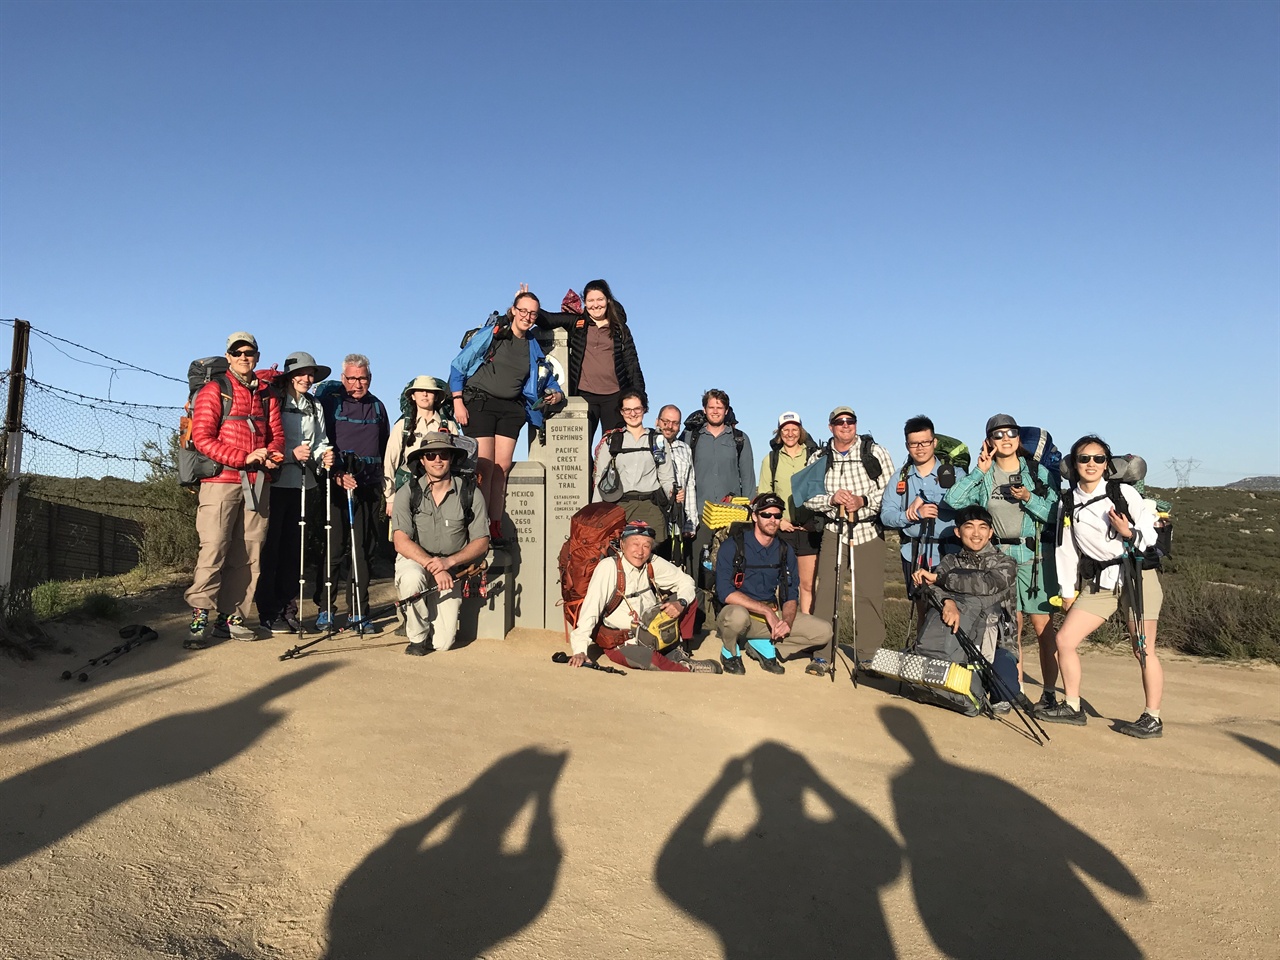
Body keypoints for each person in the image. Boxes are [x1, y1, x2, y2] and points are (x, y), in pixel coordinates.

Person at [1038, 435, 1165, 737]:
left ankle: (1153, 717)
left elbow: (1150, 533)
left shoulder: (1123, 493)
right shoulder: (1067, 501)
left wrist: (1128, 531)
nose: (1091, 464)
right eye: (1084, 458)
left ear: (1107, 463)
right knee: (1065, 640)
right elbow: (1065, 549)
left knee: (1143, 649)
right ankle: (1072, 705)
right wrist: (1067, 591)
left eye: (1098, 459)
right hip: (1100, 582)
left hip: (1137, 575)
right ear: (1074, 463)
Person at [944, 414, 1058, 706]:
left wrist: (1029, 497)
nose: (1005, 439)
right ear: (989, 441)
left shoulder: (1038, 472)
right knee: (1009, 628)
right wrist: (978, 472)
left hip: (1034, 559)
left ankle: (1049, 694)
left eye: (1011, 433)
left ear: (1019, 439)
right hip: (998, 559)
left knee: (1044, 629)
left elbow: (1055, 515)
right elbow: (953, 502)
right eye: (998, 434)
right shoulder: (986, 475)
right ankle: (1012, 689)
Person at [184, 332, 285, 648]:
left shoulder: (267, 394)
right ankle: (200, 615)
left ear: (256, 355)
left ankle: (232, 617)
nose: (244, 357)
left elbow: (277, 435)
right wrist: (244, 457)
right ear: (227, 356)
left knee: (249, 551)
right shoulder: (216, 390)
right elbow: (202, 438)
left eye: (249, 352)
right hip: (221, 481)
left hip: (257, 483)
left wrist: (273, 454)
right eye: (237, 352)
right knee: (214, 547)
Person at [450, 289, 564, 543]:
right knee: (483, 467)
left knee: (502, 468)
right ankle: (477, 526)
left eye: (533, 313)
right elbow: (459, 364)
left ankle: (495, 524)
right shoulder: (494, 333)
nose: (528, 316)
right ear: (513, 310)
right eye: (522, 310)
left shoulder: (532, 343)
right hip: (479, 401)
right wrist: (457, 401)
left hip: (511, 408)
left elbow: (543, 373)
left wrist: (555, 394)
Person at [909, 505, 1025, 716]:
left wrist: (942, 579)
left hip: (995, 642)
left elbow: (987, 585)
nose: (976, 533)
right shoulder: (949, 561)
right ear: (958, 532)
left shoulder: (1006, 563)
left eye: (983, 527)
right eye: (969, 527)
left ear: (991, 533)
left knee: (1006, 692)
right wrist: (948, 602)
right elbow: (932, 589)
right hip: (957, 637)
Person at [803, 407, 894, 667]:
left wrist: (862, 500)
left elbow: (890, 495)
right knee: (827, 595)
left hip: (868, 530)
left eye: (850, 421)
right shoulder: (819, 457)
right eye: (839, 422)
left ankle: (868, 656)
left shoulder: (875, 453)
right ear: (830, 427)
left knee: (870, 594)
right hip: (834, 530)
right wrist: (831, 500)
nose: (845, 425)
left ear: (856, 424)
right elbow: (807, 497)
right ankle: (821, 654)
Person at [567, 521, 720, 673]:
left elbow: (686, 581)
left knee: (689, 598)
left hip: (652, 631)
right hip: (623, 641)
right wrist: (580, 650)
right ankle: (686, 668)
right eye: (635, 544)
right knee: (652, 660)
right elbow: (591, 608)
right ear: (622, 544)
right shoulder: (609, 567)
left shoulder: (652, 562)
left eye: (646, 546)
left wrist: (680, 603)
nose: (640, 552)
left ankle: (678, 650)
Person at [254, 351, 334, 634]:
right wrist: (290, 454)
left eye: (310, 374)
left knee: (294, 551)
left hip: (304, 484)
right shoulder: (274, 402)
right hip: (275, 484)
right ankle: (268, 609)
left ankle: (289, 608)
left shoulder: (315, 405)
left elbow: (321, 440)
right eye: (301, 373)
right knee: (271, 549)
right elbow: (265, 440)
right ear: (289, 376)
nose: (306, 378)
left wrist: (326, 454)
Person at [391, 434, 490, 656]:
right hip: (416, 560)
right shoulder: (408, 491)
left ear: (452, 459)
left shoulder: (470, 492)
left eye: (444, 454)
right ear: (422, 461)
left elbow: (482, 541)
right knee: (411, 579)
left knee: (443, 644)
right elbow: (400, 541)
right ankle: (416, 636)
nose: (437, 459)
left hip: (452, 566)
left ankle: (418, 612)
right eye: (430, 455)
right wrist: (432, 564)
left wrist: (448, 562)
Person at [312, 353, 390, 634]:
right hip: (336, 487)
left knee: (363, 551)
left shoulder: (378, 407)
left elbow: (384, 448)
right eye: (352, 378)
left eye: (363, 378)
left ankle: (359, 611)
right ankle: (325, 609)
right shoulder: (331, 404)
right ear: (343, 378)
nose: (358, 384)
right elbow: (323, 446)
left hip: (367, 488)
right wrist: (336, 475)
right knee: (333, 549)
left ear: (370, 378)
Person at [714, 493, 833, 676]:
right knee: (737, 617)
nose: (772, 520)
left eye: (777, 516)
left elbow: (790, 594)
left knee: (824, 631)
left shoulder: (785, 551)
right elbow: (725, 592)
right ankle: (729, 652)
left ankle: (758, 643)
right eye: (766, 515)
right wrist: (767, 611)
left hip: (767, 621)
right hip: (737, 614)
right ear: (754, 516)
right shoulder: (733, 546)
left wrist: (786, 621)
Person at [539, 279, 646, 448]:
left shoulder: (620, 328)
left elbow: (632, 363)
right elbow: (548, 319)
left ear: (608, 300)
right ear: (585, 303)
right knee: (580, 448)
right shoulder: (578, 323)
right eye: (590, 300)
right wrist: (526, 306)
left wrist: (640, 397)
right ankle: (588, 476)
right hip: (584, 395)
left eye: (600, 299)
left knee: (614, 448)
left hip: (615, 396)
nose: (596, 305)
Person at [880, 415, 966, 620]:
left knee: (953, 609)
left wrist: (927, 499)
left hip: (951, 552)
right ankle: (924, 651)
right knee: (923, 612)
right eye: (914, 443)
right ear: (907, 445)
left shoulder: (957, 474)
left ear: (934, 442)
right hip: (914, 553)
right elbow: (886, 515)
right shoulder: (900, 478)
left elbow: (966, 505)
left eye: (925, 442)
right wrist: (912, 516)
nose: (920, 448)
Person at [681, 389, 755, 590]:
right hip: (698, 515)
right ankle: (699, 618)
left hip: (730, 516)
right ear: (704, 409)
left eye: (719, 407)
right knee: (696, 572)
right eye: (711, 407)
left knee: (729, 569)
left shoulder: (739, 439)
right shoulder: (690, 437)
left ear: (726, 410)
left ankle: (726, 615)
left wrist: (747, 516)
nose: (715, 411)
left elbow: (748, 478)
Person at [757, 411, 821, 614]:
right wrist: (779, 520)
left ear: (801, 431)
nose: (790, 434)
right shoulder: (771, 459)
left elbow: (822, 489)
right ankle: (783, 627)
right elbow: (764, 495)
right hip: (782, 529)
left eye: (794, 429)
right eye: (786, 430)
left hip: (809, 529)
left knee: (808, 585)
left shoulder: (814, 456)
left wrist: (815, 520)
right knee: (783, 583)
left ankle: (807, 630)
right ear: (779, 432)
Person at [592, 390, 674, 543]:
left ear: (644, 409)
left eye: (637, 409)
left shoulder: (657, 440)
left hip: (650, 506)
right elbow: (600, 479)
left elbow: (666, 476)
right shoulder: (611, 441)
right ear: (621, 412)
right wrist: (596, 512)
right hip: (620, 507)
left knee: (653, 555)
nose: (633, 414)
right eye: (627, 409)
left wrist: (673, 495)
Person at [383, 375, 459, 515]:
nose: (425, 394)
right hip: (407, 488)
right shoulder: (402, 426)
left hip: (442, 489)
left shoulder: (449, 426)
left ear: (436, 396)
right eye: (420, 390)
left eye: (429, 391)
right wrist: (390, 498)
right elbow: (390, 462)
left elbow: (459, 461)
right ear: (413, 396)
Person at [655, 403, 697, 564]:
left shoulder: (685, 449)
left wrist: (690, 521)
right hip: (655, 514)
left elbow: (690, 484)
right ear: (657, 421)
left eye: (675, 423)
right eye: (666, 421)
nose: (670, 426)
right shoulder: (647, 444)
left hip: (677, 519)